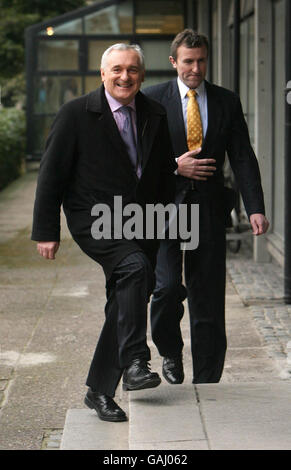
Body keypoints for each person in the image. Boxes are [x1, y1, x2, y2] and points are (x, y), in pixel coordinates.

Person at [31, 43, 177, 422]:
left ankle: (98, 391)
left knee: (126, 298)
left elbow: (160, 174)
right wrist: (46, 230)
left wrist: (163, 222)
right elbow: (51, 175)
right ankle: (135, 361)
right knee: (135, 271)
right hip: (93, 216)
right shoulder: (75, 114)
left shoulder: (154, 113)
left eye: (132, 70)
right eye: (116, 69)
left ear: (142, 76)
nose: (124, 76)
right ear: (102, 74)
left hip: (142, 220)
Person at [143, 29, 269, 385]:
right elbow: (137, 159)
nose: (195, 68)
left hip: (208, 210)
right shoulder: (152, 100)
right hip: (163, 210)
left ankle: (208, 380)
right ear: (173, 62)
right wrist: (173, 166)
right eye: (188, 61)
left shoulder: (226, 100)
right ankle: (169, 350)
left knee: (208, 296)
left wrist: (255, 206)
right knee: (165, 288)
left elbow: (243, 157)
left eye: (201, 61)